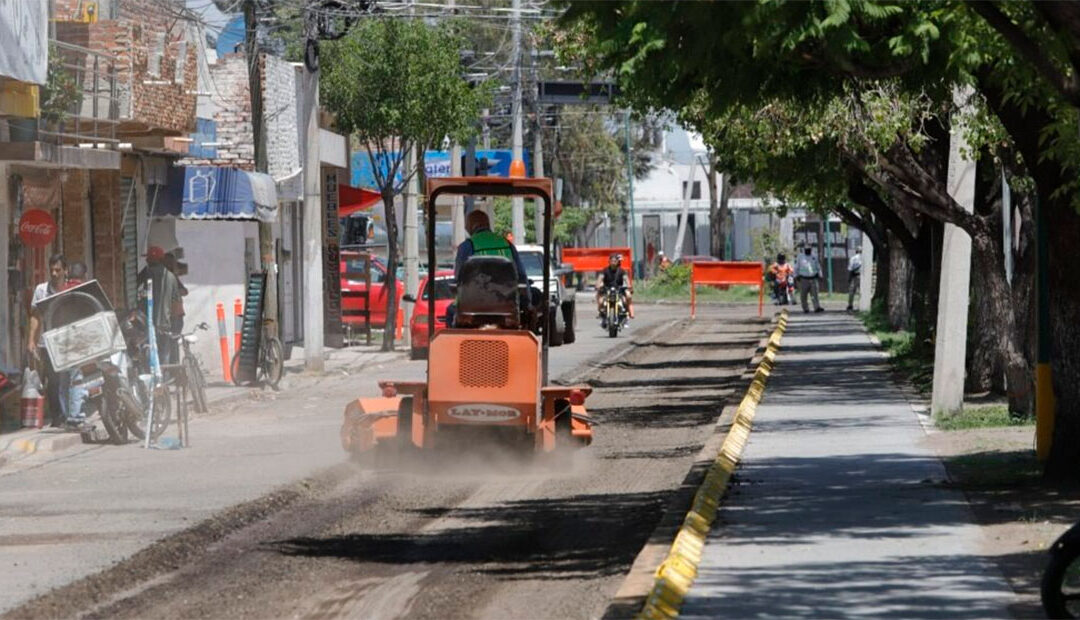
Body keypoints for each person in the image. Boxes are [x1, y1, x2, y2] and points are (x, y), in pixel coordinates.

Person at [25, 254, 87, 431]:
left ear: (65, 270)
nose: (54, 273)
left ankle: (72, 415)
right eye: (51, 270)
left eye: (58, 270)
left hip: (70, 342)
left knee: (72, 378)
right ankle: (58, 417)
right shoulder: (41, 291)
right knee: (54, 381)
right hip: (49, 343)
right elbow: (36, 316)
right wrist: (31, 340)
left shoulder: (71, 289)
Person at [137, 246, 183, 364]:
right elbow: (177, 301)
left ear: (153, 260)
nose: (146, 260)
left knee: (150, 350)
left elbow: (135, 286)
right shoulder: (171, 277)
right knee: (164, 351)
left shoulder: (147, 272)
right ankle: (165, 376)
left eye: (148, 258)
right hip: (166, 322)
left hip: (149, 320)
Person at [596, 253, 634, 323]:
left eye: (615, 261)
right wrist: (598, 286)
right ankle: (600, 312)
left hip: (619, 289)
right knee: (601, 301)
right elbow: (600, 278)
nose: (613, 262)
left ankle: (628, 312)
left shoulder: (622, 271)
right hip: (607, 289)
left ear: (618, 262)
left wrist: (629, 286)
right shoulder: (604, 270)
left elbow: (626, 279)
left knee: (628, 297)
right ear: (609, 261)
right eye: (612, 261)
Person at [794, 246, 825, 313]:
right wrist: (796, 276)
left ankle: (816, 307)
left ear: (811, 249)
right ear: (804, 250)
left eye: (809, 249)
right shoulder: (800, 257)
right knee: (803, 295)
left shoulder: (814, 256)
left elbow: (818, 266)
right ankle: (805, 308)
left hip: (813, 278)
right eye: (806, 249)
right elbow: (796, 267)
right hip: (803, 279)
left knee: (814, 294)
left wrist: (820, 275)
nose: (808, 251)